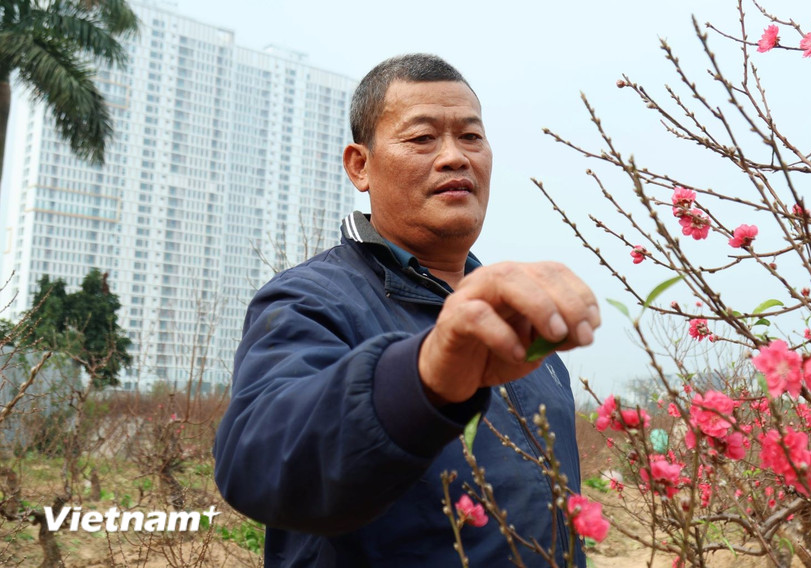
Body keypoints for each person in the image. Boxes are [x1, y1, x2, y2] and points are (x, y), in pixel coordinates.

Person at [213, 53, 600, 567]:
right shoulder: (311, 301)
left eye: (470, 137)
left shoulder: (516, 320)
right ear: (360, 165)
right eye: (422, 138)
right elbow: (259, 463)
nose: (454, 157)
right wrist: (424, 375)